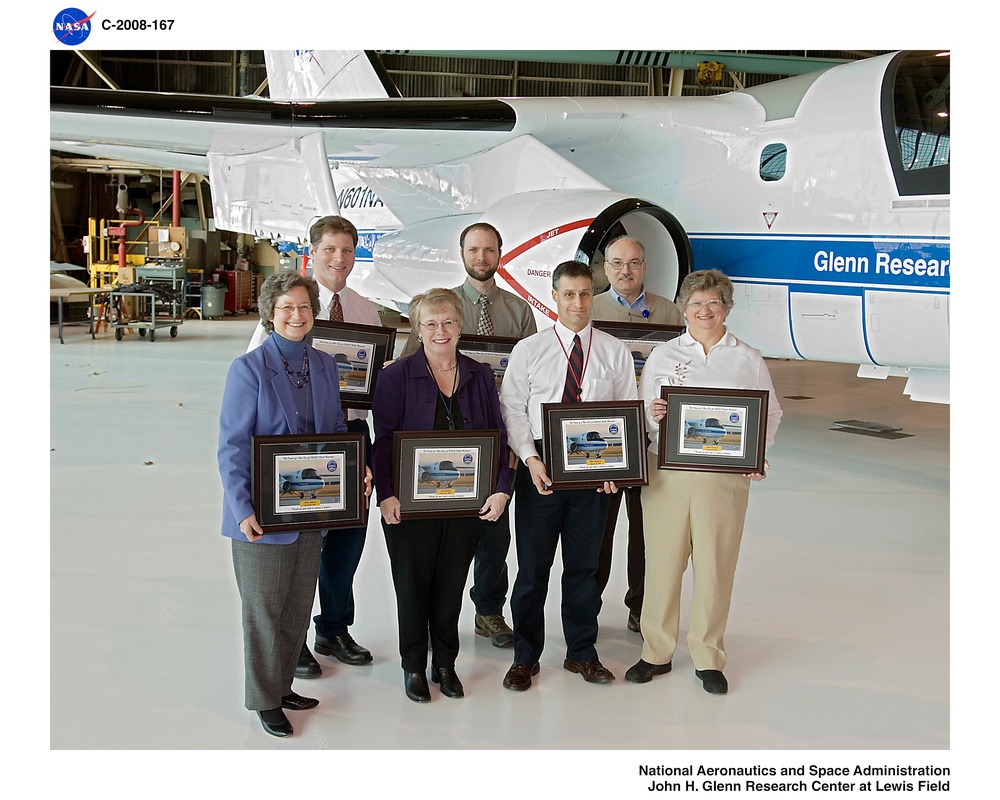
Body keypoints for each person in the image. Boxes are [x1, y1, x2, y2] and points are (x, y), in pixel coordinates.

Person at [624, 268, 782, 694]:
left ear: (726, 307)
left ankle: (708, 656)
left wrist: (756, 454)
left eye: (713, 302)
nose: (705, 310)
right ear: (684, 309)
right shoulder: (664, 355)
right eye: (696, 303)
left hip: (723, 478)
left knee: (716, 566)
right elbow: (642, 409)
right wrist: (654, 418)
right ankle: (655, 651)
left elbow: (770, 412)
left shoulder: (747, 357)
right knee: (662, 563)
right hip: (667, 473)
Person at [219, 273, 355, 738]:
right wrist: (241, 508)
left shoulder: (323, 365)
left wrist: (354, 470)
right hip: (261, 513)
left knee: (297, 603)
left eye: (303, 307)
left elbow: (335, 432)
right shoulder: (248, 369)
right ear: (270, 314)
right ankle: (263, 698)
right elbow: (233, 446)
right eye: (286, 308)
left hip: (311, 507)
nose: (296, 316)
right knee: (264, 610)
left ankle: (282, 686)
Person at [248, 215, 382, 678]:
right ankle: (295, 638)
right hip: (294, 445)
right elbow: (252, 373)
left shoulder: (367, 310)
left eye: (347, 250)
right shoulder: (288, 306)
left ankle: (333, 628)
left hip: (350, 436)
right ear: (313, 250)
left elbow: (376, 384)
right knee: (299, 546)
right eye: (330, 249)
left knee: (347, 541)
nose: (339, 259)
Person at [499, 260, 637, 691]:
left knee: (584, 567)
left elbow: (625, 411)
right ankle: (526, 656)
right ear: (554, 297)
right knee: (532, 568)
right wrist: (529, 459)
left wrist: (618, 468)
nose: (577, 302)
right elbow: (512, 409)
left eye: (584, 294)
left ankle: (582, 652)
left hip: (594, 472)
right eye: (569, 294)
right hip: (540, 465)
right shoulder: (529, 349)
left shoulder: (614, 351)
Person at [401, 222, 536, 649]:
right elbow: (408, 364)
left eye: (489, 249)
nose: (481, 257)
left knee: (494, 532)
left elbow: (533, 377)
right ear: (462, 253)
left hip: (495, 434)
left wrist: (520, 442)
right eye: (473, 249)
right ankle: (434, 615)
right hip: (441, 437)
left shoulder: (519, 312)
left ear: (501, 253)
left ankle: (489, 611)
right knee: (439, 535)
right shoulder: (440, 307)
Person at [372, 287, 512, 702]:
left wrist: (502, 489)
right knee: (412, 585)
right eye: (430, 323)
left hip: (466, 504)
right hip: (409, 507)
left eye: (448, 321)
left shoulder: (479, 374)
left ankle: (445, 663)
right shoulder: (395, 376)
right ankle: (414, 665)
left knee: (451, 584)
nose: (440, 330)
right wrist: (386, 494)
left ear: (460, 325)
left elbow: (498, 438)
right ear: (417, 328)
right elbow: (383, 443)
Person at [591, 237, 685, 634]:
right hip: (608, 440)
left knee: (646, 530)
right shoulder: (590, 309)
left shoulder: (669, 311)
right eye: (616, 263)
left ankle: (640, 604)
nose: (625, 271)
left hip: (653, 439)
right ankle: (587, 606)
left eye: (633, 263)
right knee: (598, 529)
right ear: (606, 269)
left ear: (645, 266)